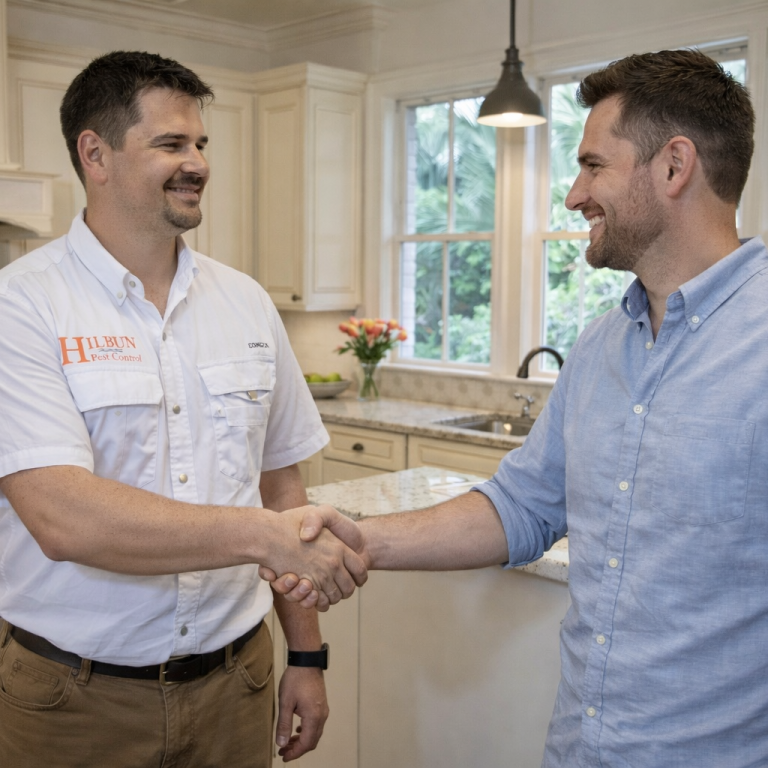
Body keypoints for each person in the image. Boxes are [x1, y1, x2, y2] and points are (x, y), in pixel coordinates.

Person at [268, 49, 767, 767]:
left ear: (674, 165)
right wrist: (360, 541)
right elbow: (522, 507)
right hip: (580, 749)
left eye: (594, 165)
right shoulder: (601, 345)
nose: (573, 194)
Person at [0, 50, 367, 767]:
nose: (196, 162)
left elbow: (282, 487)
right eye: (171, 143)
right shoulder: (21, 306)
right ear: (95, 154)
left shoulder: (247, 303)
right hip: (74, 702)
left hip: (239, 684)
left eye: (201, 143)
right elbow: (59, 516)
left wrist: (307, 655)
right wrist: (263, 537)